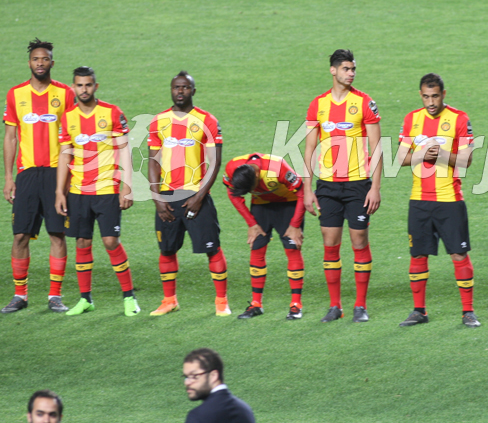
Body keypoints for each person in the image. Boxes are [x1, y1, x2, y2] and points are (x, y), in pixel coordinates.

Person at [303, 49, 382, 323]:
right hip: (327, 186)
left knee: (359, 241)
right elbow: (309, 148)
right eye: (346, 69)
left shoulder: (364, 102)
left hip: (358, 185)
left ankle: (360, 305)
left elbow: (377, 148)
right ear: (333, 70)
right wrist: (307, 188)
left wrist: (375, 187)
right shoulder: (318, 104)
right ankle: (335, 306)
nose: (351, 73)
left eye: (353, 69)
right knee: (330, 243)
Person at [396, 73, 479, 328]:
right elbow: (400, 158)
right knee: (418, 255)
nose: (431, 102)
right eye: (426, 97)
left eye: (435, 96)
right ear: (420, 95)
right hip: (419, 200)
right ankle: (419, 311)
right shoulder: (412, 119)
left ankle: (468, 312)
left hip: (450, 200)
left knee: (459, 254)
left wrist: (441, 154)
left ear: (443, 94)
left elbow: (466, 160)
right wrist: (423, 154)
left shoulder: (459, 119)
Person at [55, 67, 139, 316]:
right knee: (82, 242)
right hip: (78, 191)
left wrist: (127, 185)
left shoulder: (112, 113)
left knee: (111, 241)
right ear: (73, 87)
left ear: (96, 86)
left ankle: (129, 298)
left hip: (106, 189)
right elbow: (64, 155)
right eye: (79, 85)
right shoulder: (68, 117)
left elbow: (124, 149)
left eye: (88, 85)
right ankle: (85, 299)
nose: (84, 90)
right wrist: (59, 191)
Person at [148, 71, 229, 316]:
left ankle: (221, 302)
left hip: (196, 196)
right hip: (168, 197)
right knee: (166, 249)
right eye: (176, 87)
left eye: (185, 87)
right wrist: (157, 198)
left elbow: (215, 162)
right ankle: (169, 300)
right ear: (171, 90)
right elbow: (152, 161)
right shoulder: (159, 121)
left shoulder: (207, 120)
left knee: (212, 248)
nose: (180, 91)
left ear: (193, 90)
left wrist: (199, 196)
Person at [2, 39, 74, 314]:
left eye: (45, 59)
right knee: (20, 234)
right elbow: (10, 137)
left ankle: (55, 296)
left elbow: (73, 135)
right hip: (27, 174)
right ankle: (20, 295)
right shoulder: (16, 94)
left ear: (52, 63)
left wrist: (70, 178)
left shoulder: (65, 94)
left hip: (57, 173)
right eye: (36, 59)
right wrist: (9, 178)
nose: (40, 63)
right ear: (29, 63)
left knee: (57, 233)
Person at [223, 153, 305, 320]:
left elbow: (302, 192)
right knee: (257, 247)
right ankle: (256, 304)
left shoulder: (278, 168)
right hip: (261, 206)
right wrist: (251, 223)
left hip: (288, 204)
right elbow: (233, 195)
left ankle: (296, 305)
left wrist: (295, 225)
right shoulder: (232, 168)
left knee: (292, 248)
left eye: (251, 188)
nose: (251, 192)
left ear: (256, 175)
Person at [183, 348, 255, 423]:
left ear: (213, 376)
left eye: (194, 376)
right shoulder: (244, 409)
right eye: (186, 377)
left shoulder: (198, 416)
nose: (187, 382)